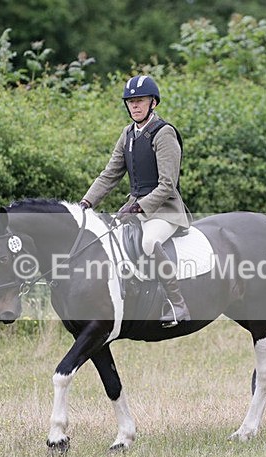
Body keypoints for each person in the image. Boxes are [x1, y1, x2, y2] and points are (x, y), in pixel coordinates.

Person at [79, 74, 191, 327]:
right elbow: (110, 174)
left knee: (149, 241)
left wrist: (140, 207)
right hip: (135, 207)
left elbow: (167, 185)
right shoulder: (128, 134)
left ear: (153, 102)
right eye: (130, 102)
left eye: (140, 101)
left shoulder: (164, 133)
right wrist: (86, 203)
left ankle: (177, 304)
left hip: (165, 210)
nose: (135, 106)